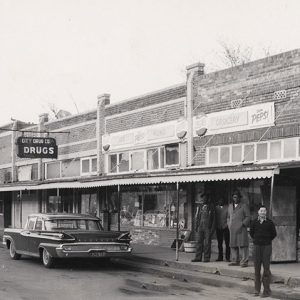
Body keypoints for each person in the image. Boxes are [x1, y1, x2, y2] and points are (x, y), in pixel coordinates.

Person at [250, 205, 277, 298]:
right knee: (256, 269)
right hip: (257, 246)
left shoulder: (270, 223)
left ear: (266, 212)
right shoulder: (254, 222)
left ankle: (266, 291)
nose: (262, 212)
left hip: (266, 247)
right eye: (261, 211)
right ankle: (256, 290)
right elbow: (251, 233)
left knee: (266, 269)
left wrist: (266, 240)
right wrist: (258, 240)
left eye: (264, 211)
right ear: (258, 212)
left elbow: (274, 234)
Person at [227, 190, 250, 267]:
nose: (235, 199)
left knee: (243, 245)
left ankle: (244, 262)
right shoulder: (230, 206)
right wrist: (229, 224)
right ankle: (234, 260)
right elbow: (228, 217)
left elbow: (248, 217)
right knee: (233, 245)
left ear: (239, 198)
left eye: (237, 197)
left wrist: (243, 224)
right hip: (232, 228)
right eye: (234, 197)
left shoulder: (244, 205)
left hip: (241, 228)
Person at [191, 193, 216, 263]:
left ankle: (206, 258)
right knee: (199, 242)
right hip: (200, 226)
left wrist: (212, 229)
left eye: (205, 198)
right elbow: (197, 216)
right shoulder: (199, 206)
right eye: (203, 198)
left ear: (208, 199)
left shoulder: (211, 207)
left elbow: (214, 219)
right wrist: (196, 226)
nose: (204, 199)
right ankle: (198, 257)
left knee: (207, 243)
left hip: (208, 227)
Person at [215, 197, 230, 262]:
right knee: (219, 243)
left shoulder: (227, 208)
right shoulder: (216, 208)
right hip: (218, 227)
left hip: (226, 227)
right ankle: (220, 257)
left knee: (227, 243)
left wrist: (227, 225)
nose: (221, 201)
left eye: (222, 200)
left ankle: (227, 257)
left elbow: (229, 217)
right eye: (219, 200)